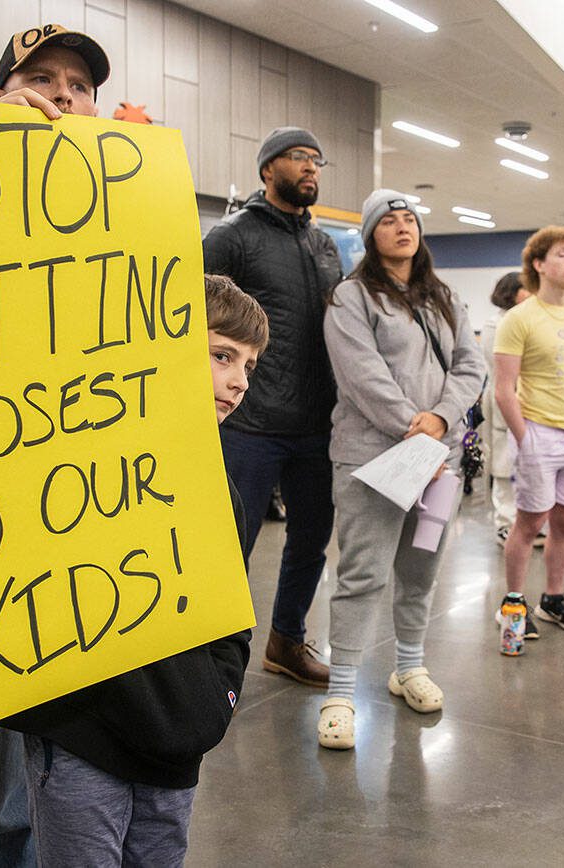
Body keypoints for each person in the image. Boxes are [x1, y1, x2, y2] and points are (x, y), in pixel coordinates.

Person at [0, 275, 267, 866]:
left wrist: (213, 697)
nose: (240, 380)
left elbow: (230, 609)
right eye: (222, 355)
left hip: (176, 743)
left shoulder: (217, 487)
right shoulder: (74, 466)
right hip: (81, 737)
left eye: (248, 364)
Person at [0, 26, 112, 866]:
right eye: (42, 78)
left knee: (76, 769)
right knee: (1, 784)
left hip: (94, 513)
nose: (62, 95)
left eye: (79, 85)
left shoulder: (119, 214)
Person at [317, 190, 484, 749]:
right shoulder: (351, 296)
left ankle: (408, 666)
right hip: (372, 459)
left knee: (422, 569)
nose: (402, 227)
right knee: (362, 573)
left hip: (439, 462)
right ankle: (341, 690)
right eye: (388, 220)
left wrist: (439, 419)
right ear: (370, 235)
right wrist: (412, 425)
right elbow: (359, 372)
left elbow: (470, 364)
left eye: (409, 218)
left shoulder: (444, 298)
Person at [203, 126, 344, 688]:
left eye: (316, 159)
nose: (310, 167)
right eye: (297, 158)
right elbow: (190, 314)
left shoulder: (326, 244)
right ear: (268, 170)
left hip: (317, 424)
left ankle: (286, 641)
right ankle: (208, 659)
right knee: (230, 544)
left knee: (311, 540)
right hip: (249, 423)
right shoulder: (232, 236)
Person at [493, 225, 564, 644]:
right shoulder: (518, 319)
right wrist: (526, 438)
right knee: (529, 523)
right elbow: (505, 388)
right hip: (538, 431)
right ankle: (515, 602)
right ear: (538, 264)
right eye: (563, 253)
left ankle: (553, 599)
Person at [480, 272, 531, 541]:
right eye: (525, 288)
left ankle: (525, 524)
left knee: (526, 464)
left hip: (530, 401)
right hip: (503, 398)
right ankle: (505, 523)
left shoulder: (531, 320)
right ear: (510, 292)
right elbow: (497, 365)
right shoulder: (495, 324)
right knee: (504, 464)